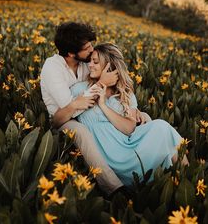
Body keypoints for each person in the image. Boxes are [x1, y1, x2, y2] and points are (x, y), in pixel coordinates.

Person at [54, 43, 185, 186]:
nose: (89, 65)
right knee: (165, 132)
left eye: (95, 62)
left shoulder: (125, 94)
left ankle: (187, 177)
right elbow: (57, 120)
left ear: (109, 66)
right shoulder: (79, 89)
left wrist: (103, 105)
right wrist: (98, 88)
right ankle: (183, 179)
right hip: (108, 156)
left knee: (163, 128)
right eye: (90, 60)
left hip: (128, 147)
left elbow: (129, 128)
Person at [40, 22, 144, 197]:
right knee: (80, 131)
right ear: (71, 53)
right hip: (65, 118)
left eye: (90, 44)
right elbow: (71, 107)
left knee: (143, 117)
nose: (91, 49)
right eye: (87, 48)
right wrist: (102, 83)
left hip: (89, 108)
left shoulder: (83, 62)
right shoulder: (52, 68)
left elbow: (93, 84)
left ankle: (143, 160)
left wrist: (131, 107)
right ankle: (114, 188)